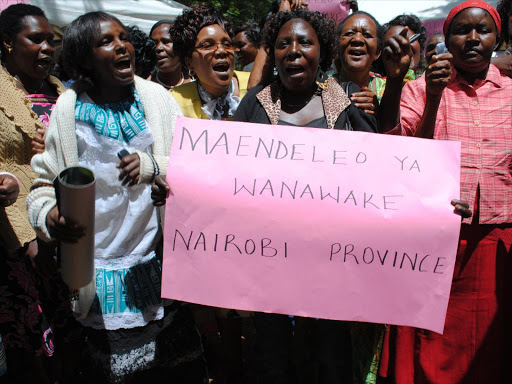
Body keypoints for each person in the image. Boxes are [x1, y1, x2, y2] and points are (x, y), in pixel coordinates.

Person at [26, 11, 206, 383]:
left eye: (123, 37)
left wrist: (153, 165)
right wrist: (49, 216)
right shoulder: (67, 111)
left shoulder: (157, 100)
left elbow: (195, 166)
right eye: (106, 41)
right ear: (84, 58)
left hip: (159, 266)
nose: (122, 45)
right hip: (99, 275)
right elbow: (43, 184)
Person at [233, 8, 377, 384]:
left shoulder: (349, 107)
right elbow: (226, 179)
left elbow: (381, 181)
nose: (294, 50)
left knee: (329, 357)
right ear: (274, 53)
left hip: (331, 264)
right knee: (274, 358)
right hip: (267, 264)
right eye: (284, 44)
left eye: (304, 42)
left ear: (323, 51)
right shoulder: (252, 108)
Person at [379, 1, 512, 383]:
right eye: (461, 30)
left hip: (495, 242)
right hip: (434, 244)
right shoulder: (420, 90)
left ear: (497, 38)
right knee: (429, 347)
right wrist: (435, 96)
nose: (472, 39)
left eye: (482, 30)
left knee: (490, 347)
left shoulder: (509, 92)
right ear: (445, 39)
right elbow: (401, 154)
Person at [0, 4, 77, 383]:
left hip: (66, 231)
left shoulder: (63, 92)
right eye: (35, 39)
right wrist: (29, 236)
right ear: (7, 43)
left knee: (70, 340)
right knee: (33, 347)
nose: (47, 47)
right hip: (15, 238)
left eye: (51, 40)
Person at [170, 3, 250, 120]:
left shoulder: (256, 88)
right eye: (207, 45)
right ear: (189, 62)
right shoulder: (175, 102)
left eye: (227, 44)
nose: (221, 51)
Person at [335, 11, 384, 115]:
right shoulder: (320, 87)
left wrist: (381, 112)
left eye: (367, 35)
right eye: (349, 33)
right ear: (337, 46)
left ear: (377, 52)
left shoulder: (387, 91)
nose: (357, 39)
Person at [150, 20, 191, 90]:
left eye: (166, 42)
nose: (158, 48)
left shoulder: (198, 86)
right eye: (154, 43)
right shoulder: (145, 87)